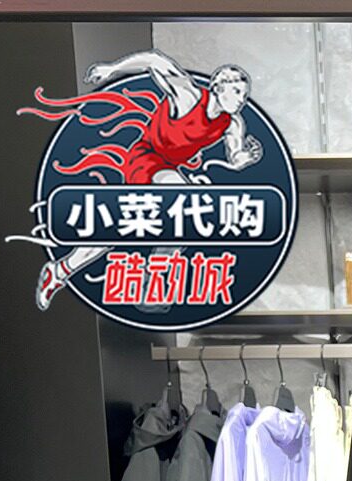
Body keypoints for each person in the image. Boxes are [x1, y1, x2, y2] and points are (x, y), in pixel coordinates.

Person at [31, 52, 262, 310]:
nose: (242, 100)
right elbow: (155, 60)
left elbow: (235, 157)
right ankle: (152, 278)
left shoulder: (232, 124)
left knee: (120, 229)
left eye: (245, 95)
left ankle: (60, 271)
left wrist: (246, 158)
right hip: (146, 157)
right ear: (218, 88)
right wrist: (112, 69)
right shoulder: (188, 95)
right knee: (184, 203)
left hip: (168, 168)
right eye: (237, 92)